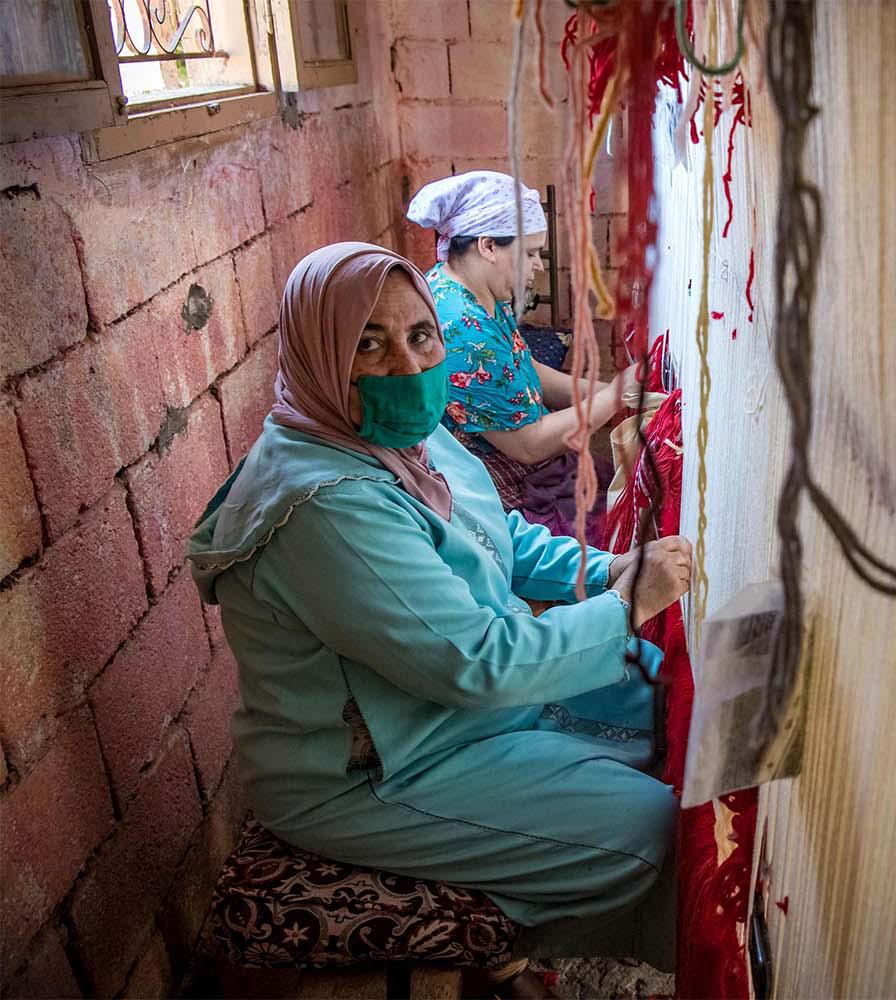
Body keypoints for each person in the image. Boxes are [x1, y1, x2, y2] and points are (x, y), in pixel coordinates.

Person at [187, 242, 691, 980]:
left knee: (647, 685)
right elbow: (474, 662)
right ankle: (517, 933)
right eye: (369, 343)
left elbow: (502, 536)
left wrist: (607, 569)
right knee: (650, 834)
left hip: (441, 710)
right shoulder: (323, 507)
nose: (409, 365)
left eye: (421, 336)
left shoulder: (400, 434)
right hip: (375, 771)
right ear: (318, 352)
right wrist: (624, 604)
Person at [406, 171, 633, 545]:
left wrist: (606, 391)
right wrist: (614, 397)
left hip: (516, 454)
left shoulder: (473, 291)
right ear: (488, 246)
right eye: (530, 253)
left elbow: (523, 365)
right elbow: (529, 446)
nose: (540, 265)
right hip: (492, 485)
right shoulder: (462, 330)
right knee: (612, 532)